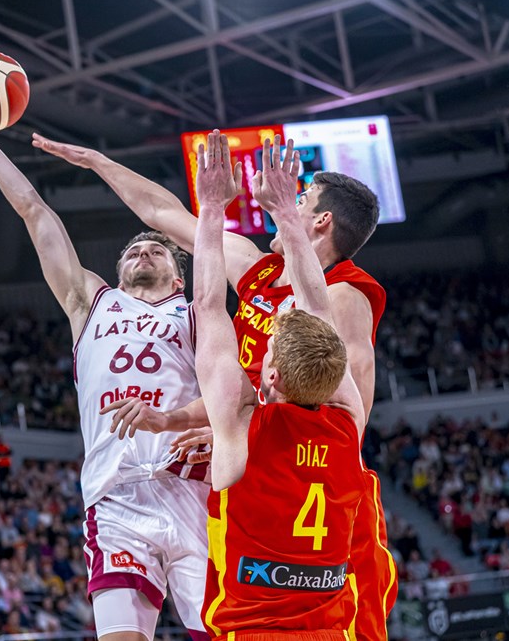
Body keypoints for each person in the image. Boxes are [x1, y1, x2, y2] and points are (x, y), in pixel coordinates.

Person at [35, 133, 397, 640]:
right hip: (247, 455)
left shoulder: (346, 295)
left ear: (320, 221)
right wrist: (98, 161)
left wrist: (253, 437)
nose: (288, 202)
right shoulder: (259, 270)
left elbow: (341, 410)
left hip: (299, 481)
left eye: (300, 198)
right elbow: (164, 214)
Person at [0, 96, 209, 641]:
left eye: (156, 251)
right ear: (117, 271)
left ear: (179, 278)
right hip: (116, 498)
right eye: (134, 251)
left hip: (193, 492)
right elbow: (35, 212)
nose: (143, 252)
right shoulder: (91, 302)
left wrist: (192, 423)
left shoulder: (198, 313)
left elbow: (238, 396)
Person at [191, 132, 367, 637]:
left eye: (266, 351)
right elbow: (317, 309)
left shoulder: (241, 429)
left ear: (269, 375)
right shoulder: (348, 424)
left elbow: (208, 306)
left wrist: (212, 207)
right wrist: (288, 213)